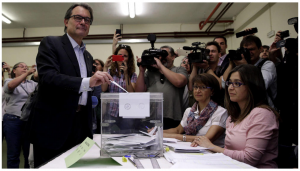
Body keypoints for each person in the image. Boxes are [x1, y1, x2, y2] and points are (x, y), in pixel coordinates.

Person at [28, 3, 113, 168]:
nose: (83, 22)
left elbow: (85, 93)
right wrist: (88, 81)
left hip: (80, 126)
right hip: (53, 126)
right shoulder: (51, 43)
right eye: (78, 18)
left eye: (87, 20)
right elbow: (48, 77)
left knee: (76, 166)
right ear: (66, 21)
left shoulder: (88, 56)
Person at [191, 64, 279, 168]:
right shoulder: (232, 117)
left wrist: (211, 146)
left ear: (252, 86)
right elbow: (228, 152)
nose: (230, 88)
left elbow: (249, 159)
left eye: (237, 83)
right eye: (229, 83)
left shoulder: (262, 114)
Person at [161, 74, 227, 147]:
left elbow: (206, 139)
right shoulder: (189, 111)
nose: (197, 91)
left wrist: (171, 136)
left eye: (203, 87)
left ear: (212, 91)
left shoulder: (220, 112)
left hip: (211, 153)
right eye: (196, 87)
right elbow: (178, 130)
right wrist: (158, 132)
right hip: (191, 149)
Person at [136, 45, 188, 130]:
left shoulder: (179, 70)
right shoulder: (150, 72)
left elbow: (179, 82)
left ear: (173, 57)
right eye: (160, 55)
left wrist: (160, 66)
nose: (162, 57)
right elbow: (139, 93)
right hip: (150, 117)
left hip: (172, 117)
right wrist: (141, 71)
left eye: (165, 54)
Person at [222, 35, 277, 109]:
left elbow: (262, 85)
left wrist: (245, 67)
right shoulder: (239, 65)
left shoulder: (267, 64)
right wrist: (231, 64)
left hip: (263, 108)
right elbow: (224, 84)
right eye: (245, 50)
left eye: (252, 49)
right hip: (243, 108)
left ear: (260, 48)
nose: (249, 52)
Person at [3, 62, 37, 168]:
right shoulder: (9, 81)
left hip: (29, 122)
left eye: (26, 67)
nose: (24, 68)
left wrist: (40, 67)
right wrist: (27, 73)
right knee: (13, 154)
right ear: (14, 70)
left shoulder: (32, 83)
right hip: (13, 120)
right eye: (21, 67)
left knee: (29, 155)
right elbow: (10, 86)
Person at [101, 44, 137, 131]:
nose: (122, 58)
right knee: (109, 137)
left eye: (125, 56)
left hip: (127, 112)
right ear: (115, 57)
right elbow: (103, 88)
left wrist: (126, 74)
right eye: (120, 56)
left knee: (127, 136)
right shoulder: (110, 72)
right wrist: (105, 67)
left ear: (129, 58)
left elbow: (131, 93)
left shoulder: (132, 74)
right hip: (112, 111)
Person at [92, 59, 104, 134]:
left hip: (101, 110)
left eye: (97, 64)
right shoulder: (89, 78)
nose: (95, 65)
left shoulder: (104, 77)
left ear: (102, 68)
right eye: (93, 64)